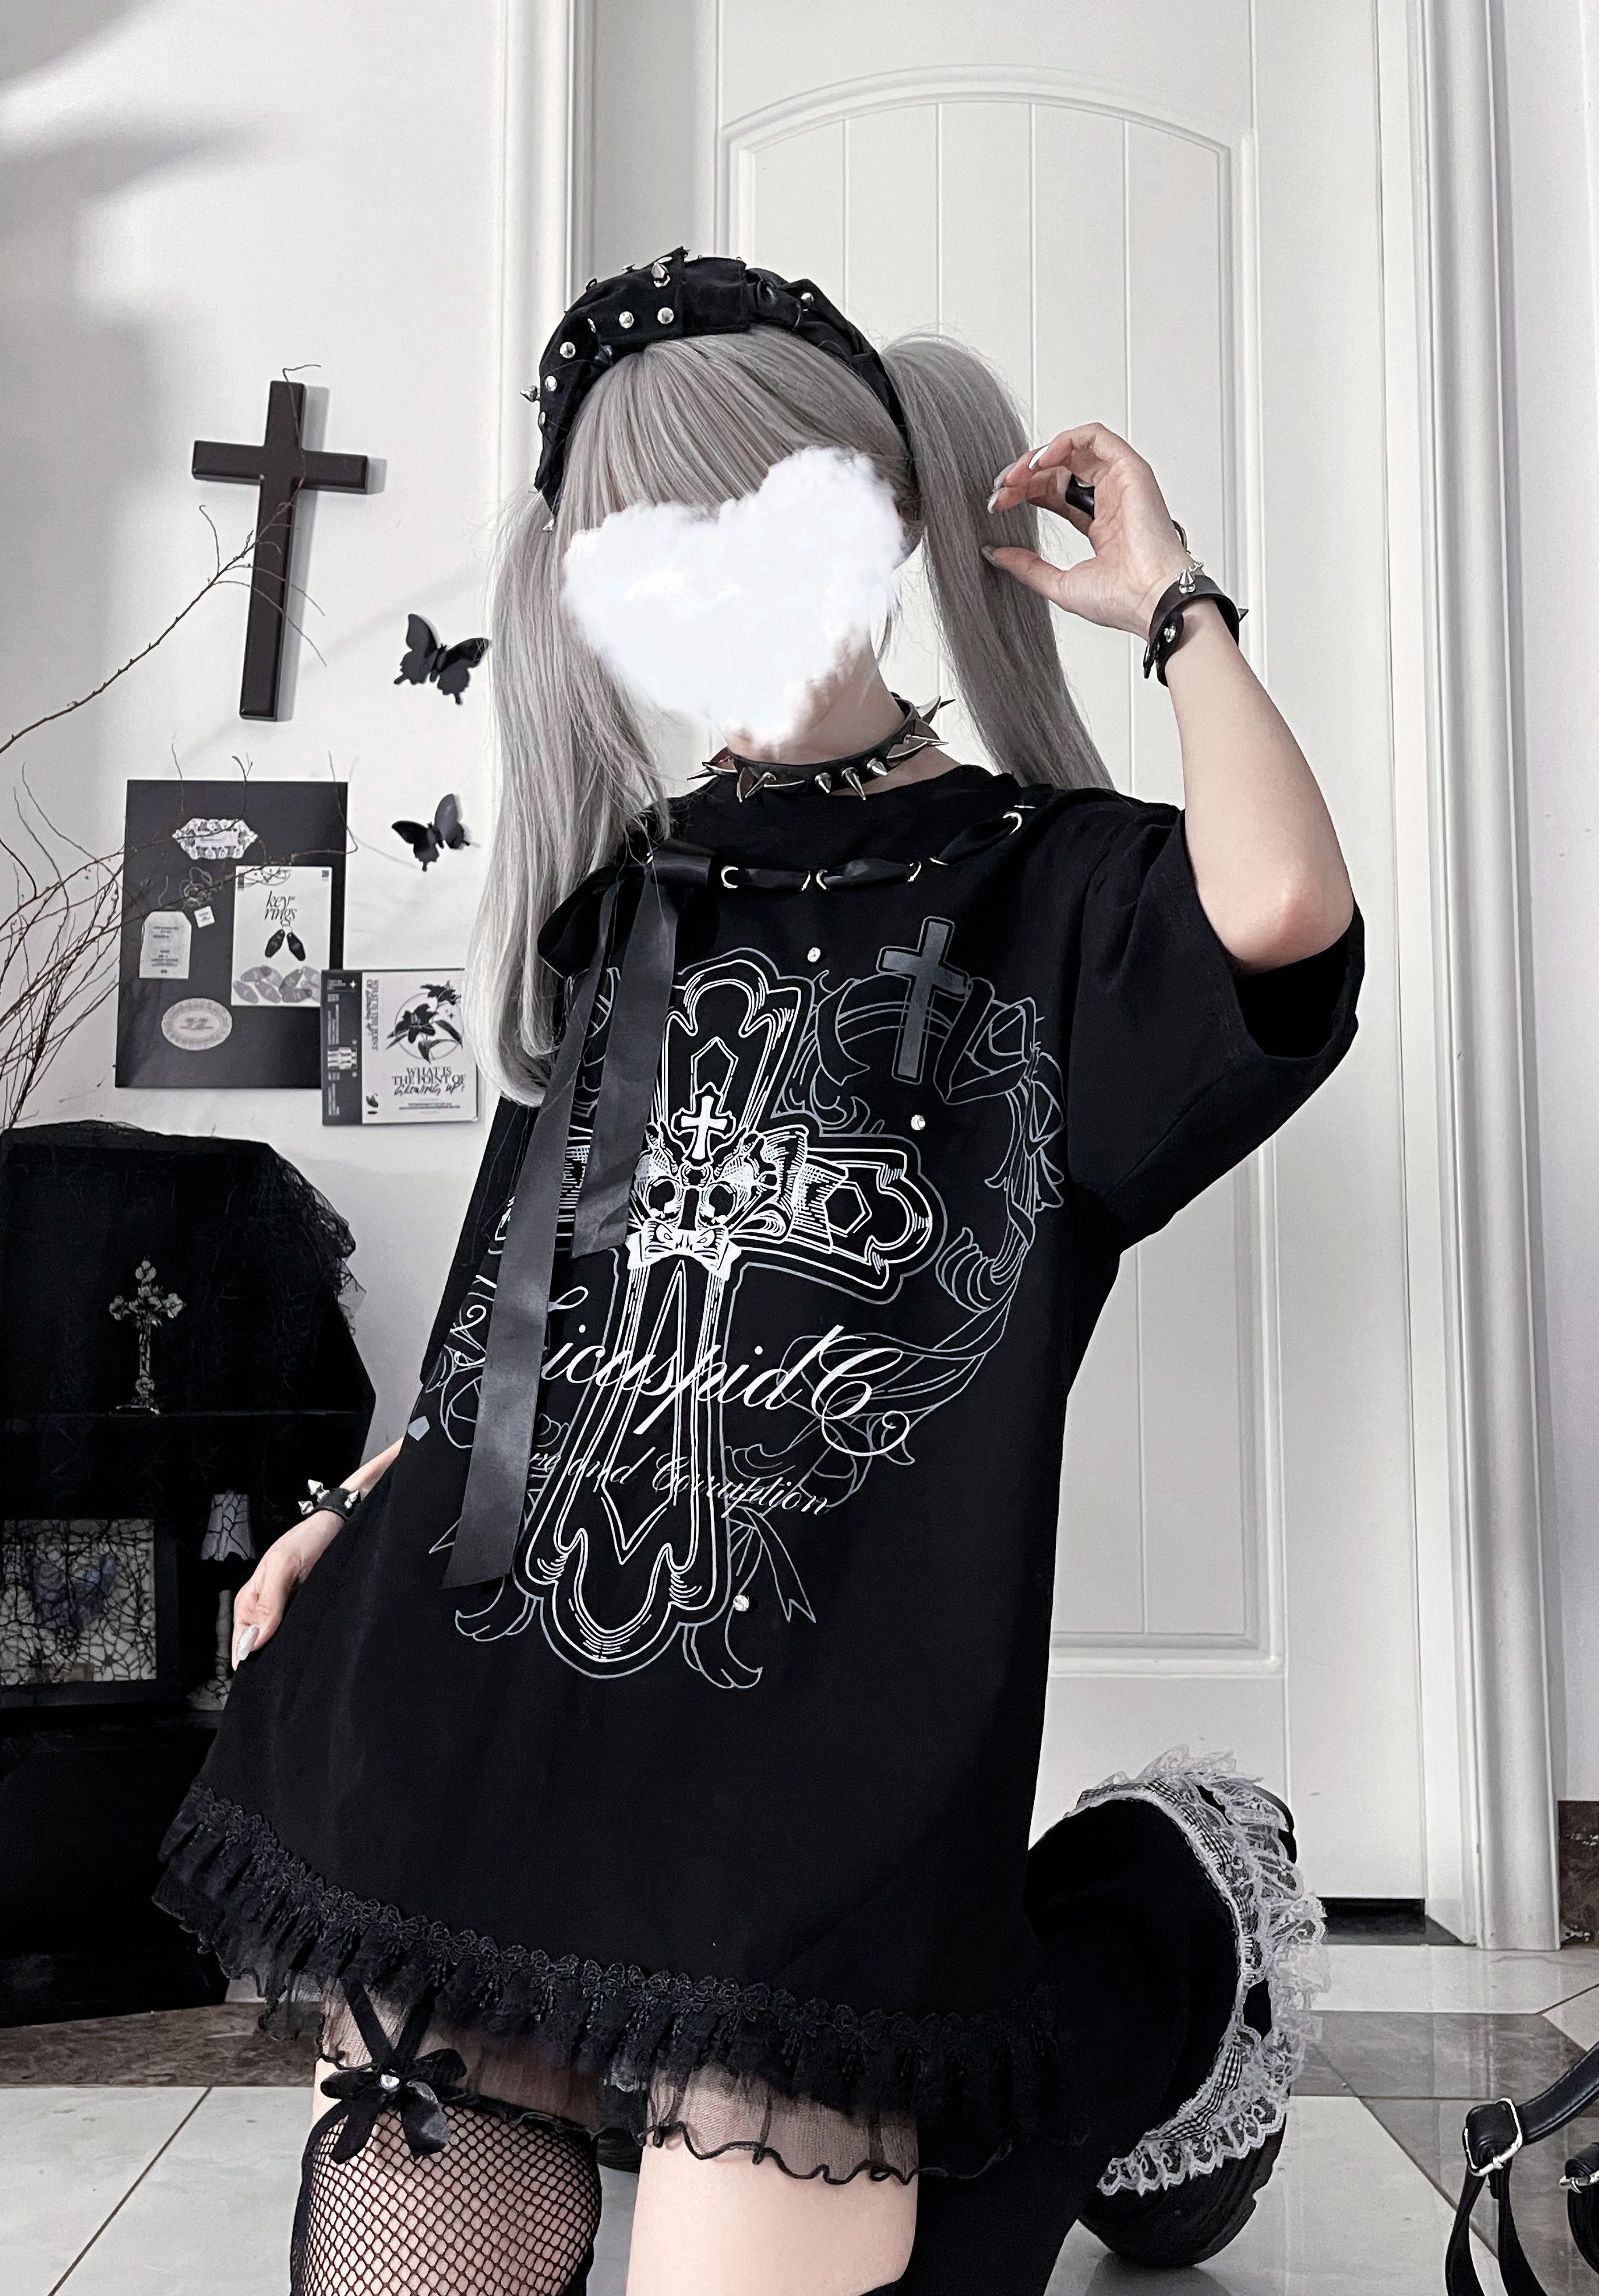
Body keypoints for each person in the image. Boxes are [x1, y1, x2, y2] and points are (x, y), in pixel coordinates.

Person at [154, 249, 1359, 2296]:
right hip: (507, 1679)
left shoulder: (1052, 887)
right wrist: (359, 1501)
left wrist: (1176, 608)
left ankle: (1177, 1916)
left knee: (874, 2207)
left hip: (825, 1752)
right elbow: (519, 1295)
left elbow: (1282, 909)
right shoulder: (630, 889)